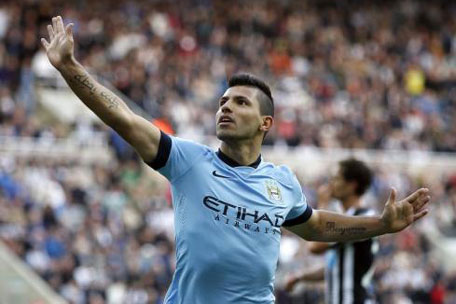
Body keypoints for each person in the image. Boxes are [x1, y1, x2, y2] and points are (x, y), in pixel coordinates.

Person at [40, 16, 431, 304]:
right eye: (223, 101)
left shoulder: (283, 182)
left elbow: (315, 226)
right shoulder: (188, 161)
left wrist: (381, 224)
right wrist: (71, 67)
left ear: (266, 123)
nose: (225, 108)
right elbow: (122, 117)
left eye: (240, 102)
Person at [285, 158, 379, 303]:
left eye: (336, 178)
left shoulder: (364, 217)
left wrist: (322, 205)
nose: (330, 184)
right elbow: (334, 269)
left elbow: (315, 246)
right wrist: (300, 277)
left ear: (351, 185)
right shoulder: (347, 217)